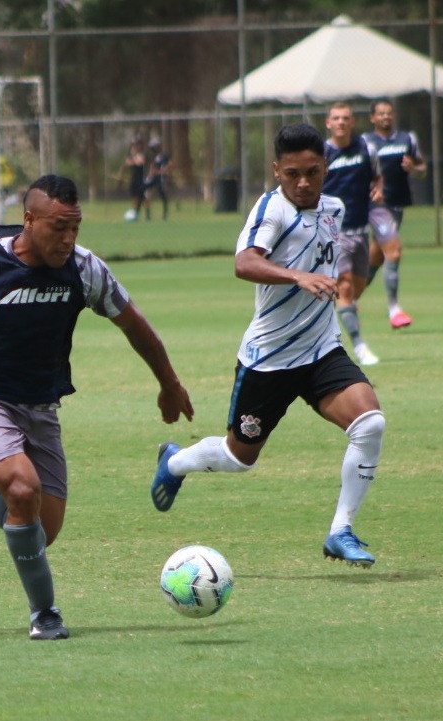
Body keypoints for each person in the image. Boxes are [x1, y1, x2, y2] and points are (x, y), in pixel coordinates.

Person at [0, 174, 194, 640]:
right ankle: (44, 614)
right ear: (29, 220)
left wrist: (169, 383)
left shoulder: (85, 269)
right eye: (58, 227)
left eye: (75, 228)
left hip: (41, 406)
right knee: (22, 491)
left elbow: (135, 325)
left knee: (39, 531)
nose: (68, 239)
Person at [151, 123, 386, 569]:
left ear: (325, 168)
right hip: (269, 360)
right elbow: (245, 263)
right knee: (240, 459)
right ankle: (175, 461)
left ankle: (341, 531)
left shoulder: (334, 208)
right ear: (277, 170)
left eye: (312, 172)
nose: (302, 183)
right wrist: (297, 276)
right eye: (292, 173)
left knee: (370, 424)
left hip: (321, 351)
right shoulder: (271, 210)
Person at [323, 101, 384, 366]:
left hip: (361, 231)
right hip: (335, 231)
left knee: (356, 287)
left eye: (345, 118)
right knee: (345, 285)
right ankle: (359, 347)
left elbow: (377, 177)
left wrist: (378, 189)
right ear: (328, 123)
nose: (340, 122)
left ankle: (330, 321)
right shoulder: (322, 154)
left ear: (353, 122)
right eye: (336, 118)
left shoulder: (365, 149)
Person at [362, 98, 426, 330]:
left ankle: (348, 297)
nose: (385, 117)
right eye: (381, 114)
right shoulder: (365, 142)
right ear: (372, 118)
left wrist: (414, 169)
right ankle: (394, 310)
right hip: (376, 205)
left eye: (389, 113)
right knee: (394, 252)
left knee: (376, 258)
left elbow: (422, 169)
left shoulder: (407, 139)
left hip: (397, 205)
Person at [122, 138, 149, 221]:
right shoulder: (131, 155)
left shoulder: (142, 154)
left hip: (140, 179)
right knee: (135, 198)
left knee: (143, 198)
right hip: (133, 179)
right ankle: (135, 214)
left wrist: (133, 161)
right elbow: (127, 163)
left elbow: (140, 162)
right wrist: (133, 161)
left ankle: (148, 214)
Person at [144, 138, 172, 220]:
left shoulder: (164, 155)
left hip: (161, 178)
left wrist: (163, 171)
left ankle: (165, 214)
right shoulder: (152, 156)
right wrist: (150, 174)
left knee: (163, 195)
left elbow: (171, 164)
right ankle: (147, 214)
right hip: (153, 177)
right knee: (147, 195)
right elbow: (152, 166)